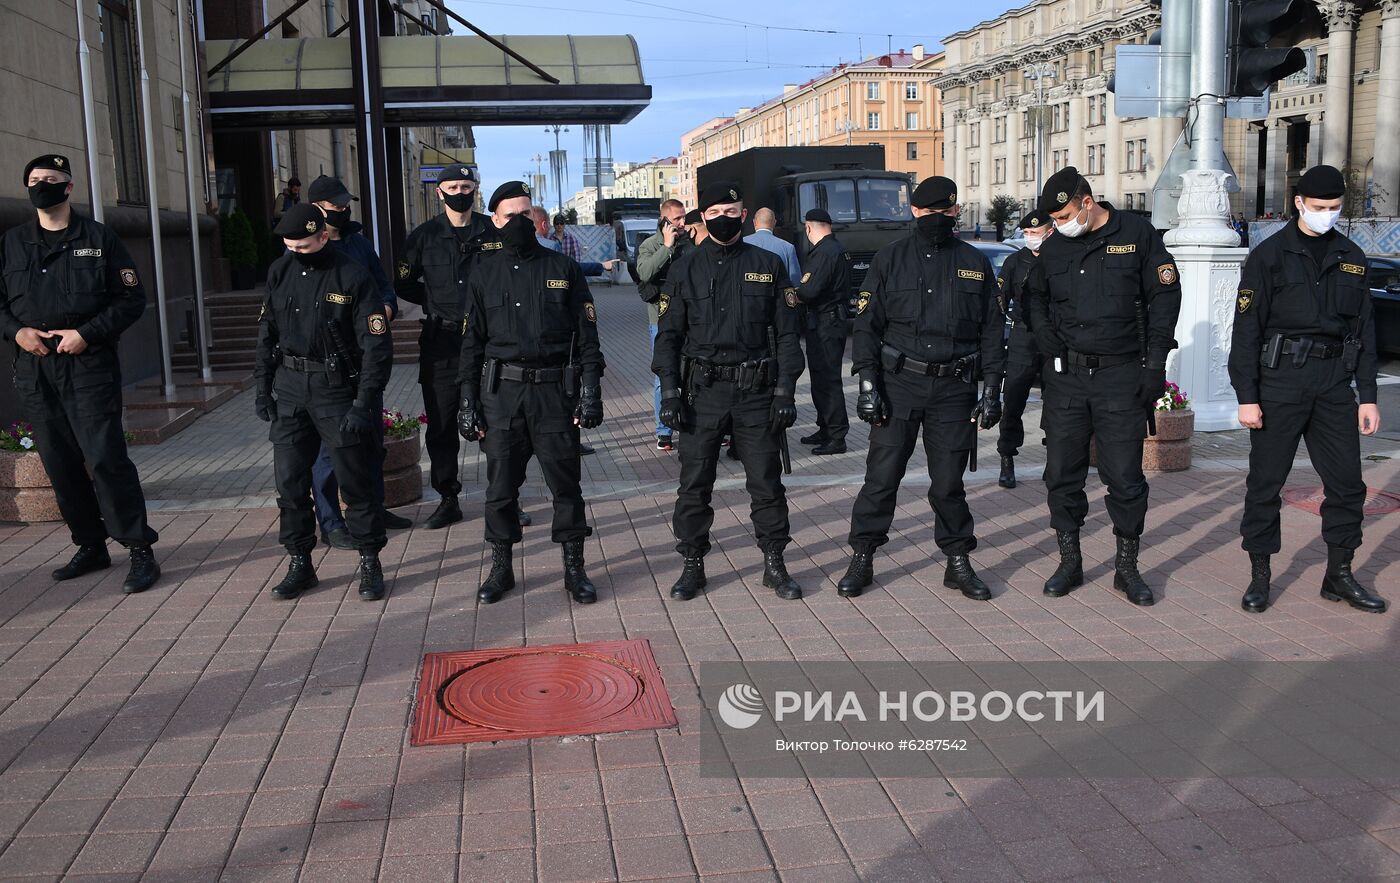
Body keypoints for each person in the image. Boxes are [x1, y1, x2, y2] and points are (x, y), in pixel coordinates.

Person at [835, 176, 1005, 600]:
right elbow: (867, 326)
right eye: (930, 212)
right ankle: (862, 556)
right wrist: (868, 385)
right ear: (914, 212)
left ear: (955, 213)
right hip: (899, 385)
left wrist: (992, 389)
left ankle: (958, 561)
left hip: (953, 389)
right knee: (881, 479)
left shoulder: (974, 262)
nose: (938, 220)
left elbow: (991, 331)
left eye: (946, 213)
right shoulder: (890, 259)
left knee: (948, 484)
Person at [1230, 164, 1386, 614]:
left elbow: (1366, 331)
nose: (1327, 215)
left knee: (1347, 486)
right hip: (1279, 382)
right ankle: (1260, 576)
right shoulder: (1269, 256)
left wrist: (1369, 395)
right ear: (1299, 203)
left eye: (1335, 208)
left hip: (1334, 384)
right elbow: (1246, 331)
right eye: (1319, 207)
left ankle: (1338, 575)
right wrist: (1247, 396)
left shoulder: (1353, 257)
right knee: (1266, 484)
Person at [0, 153, 160, 594]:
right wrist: (17, 333)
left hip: (88, 366)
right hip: (36, 368)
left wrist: (87, 334)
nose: (40, 186)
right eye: (33, 180)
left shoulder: (100, 238)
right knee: (60, 462)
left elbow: (130, 299)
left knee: (106, 458)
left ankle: (139, 548)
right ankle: (90, 544)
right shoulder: (11, 243)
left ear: (68, 187)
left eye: (49, 180)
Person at [1023, 167, 1182, 607]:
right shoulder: (1055, 248)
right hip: (1067, 378)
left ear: (1087, 203)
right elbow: (1032, 298)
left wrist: (1155, 365)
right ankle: (1069, 561)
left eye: (1066, 215)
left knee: (1126, 478)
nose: (1059, 225)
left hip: (1121, 374)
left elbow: (1165, 297)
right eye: (1053, 219)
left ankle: (1126, 567)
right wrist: (1045, 336)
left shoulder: (1137, 232)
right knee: (1062, 474)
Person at [652, 182, 805, 601]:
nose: (723, 218)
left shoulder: (769, 264)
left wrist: (785, 393)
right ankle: (692, 565)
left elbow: (789, 336)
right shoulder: (685, 267)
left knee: (767, 483)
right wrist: (669, 392)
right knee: (694, 484)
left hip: (756, 391)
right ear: (704, 217)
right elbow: (667, 336)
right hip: (701, 392)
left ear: (744, 213)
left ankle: (774, 563)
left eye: (731, 211)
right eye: (715, 211)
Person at [458, 181, 605, 605]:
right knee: (500, 488)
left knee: (566, 486)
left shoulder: (563, 268)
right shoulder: (484, 273)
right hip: (501, 395)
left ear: (535, 218)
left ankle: (574, 569)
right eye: (509, 217)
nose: (518, 223)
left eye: (526, 215)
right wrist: (468, 402)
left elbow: (588, 338)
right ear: (495, 222)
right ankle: (501, 567)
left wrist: (590, 392)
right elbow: (471, 344)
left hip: (554, 394)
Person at [254, 204, 392, 601]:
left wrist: (364, 403)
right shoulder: (279, 272)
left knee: (356, 481)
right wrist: (262, 388)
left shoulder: (352, 276)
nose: (296, 252)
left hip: (336, 391)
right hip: (291, 388)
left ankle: (369, 559)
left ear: (324, 237)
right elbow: (267, 333)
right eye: (289, 246)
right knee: (291, 484)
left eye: (303, 246)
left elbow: (375, 347)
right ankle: (300, 562)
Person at [396, 163, 511, 529]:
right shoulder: (423, 236)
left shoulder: (493, 232)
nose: (460, 192)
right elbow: (403, 282)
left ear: (475, 189)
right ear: (438, 191)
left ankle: (505, 496)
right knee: (442, 423)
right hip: (441, 342)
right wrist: (434, 302)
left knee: (497, 420)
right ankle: (448, 498)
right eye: (453, 186)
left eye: (466, 185)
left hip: (490, 341)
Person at [304, 175, 412, 547]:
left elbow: (385, 288)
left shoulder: (359, 243)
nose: (343, 210)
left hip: (365, 361)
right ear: (317, 208)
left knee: (370, 439)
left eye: (345, 203)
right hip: (327, 367)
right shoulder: (302, 252)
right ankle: (331, 523)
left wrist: (385, 308)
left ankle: (373, 508)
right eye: (336, 205)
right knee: (328, 450)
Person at [995, 211, 1053, 489]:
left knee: (1057, 403)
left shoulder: (1061, 258)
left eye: (1035, 232)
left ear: (1050, 230)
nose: (1031, 237)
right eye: (1027, 233)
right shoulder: (1015, 262)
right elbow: (999, 301)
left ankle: (1054, 459)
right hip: (1023, 336)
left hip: (1055, 338)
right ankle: (1007, 457)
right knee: (1014, 399)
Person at [793, 208, 851, 455]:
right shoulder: (835, 248)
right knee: (821, 379)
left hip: (826, 324)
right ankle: (826, 428)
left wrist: (793, 294)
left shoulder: (825, 253)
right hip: (827, 323)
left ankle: (836, 435)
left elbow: (809, 290)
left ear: (808, 228)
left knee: (827, 380)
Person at [636, 199, 692, 451]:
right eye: (677, 218)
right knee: (664, 374)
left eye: (683, 217)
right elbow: (645, 272)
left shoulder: (690, 242)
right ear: (664, 220)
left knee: (693, 372)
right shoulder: (650, 245)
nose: (682, 222)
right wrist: (667, 247)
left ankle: (698, 424)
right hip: (659, 319)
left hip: (692, 318)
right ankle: (664, 430)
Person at [744, 208, 802, 289]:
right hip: (775, 299)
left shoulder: (742, 243)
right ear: (774, 223)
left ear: (754, 222)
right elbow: (795, 282)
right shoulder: (788, 248)